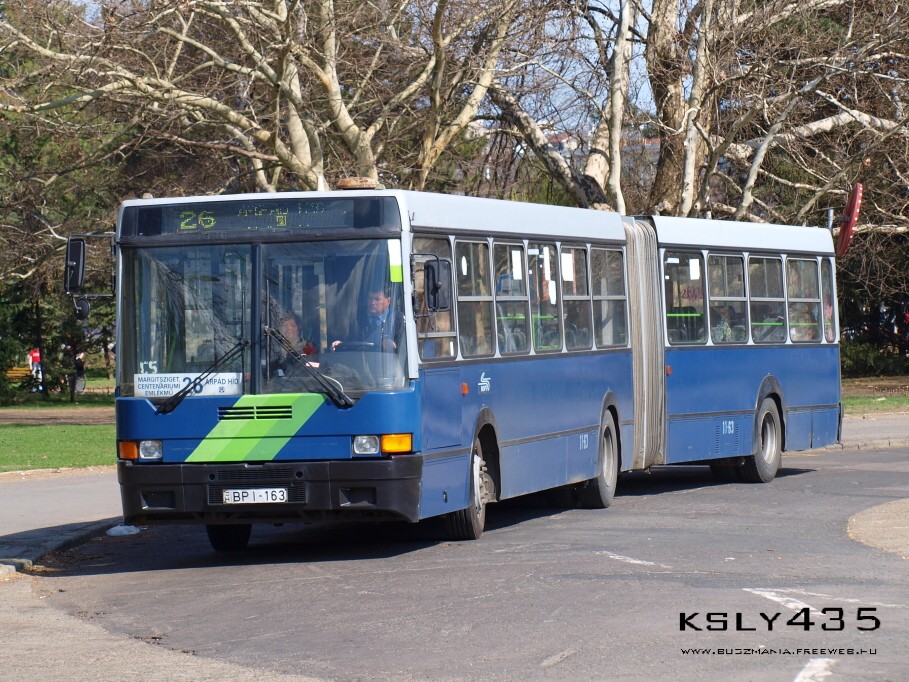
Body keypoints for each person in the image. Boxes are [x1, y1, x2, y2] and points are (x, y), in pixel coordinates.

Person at [332, 286, 404, 352]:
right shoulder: (357, 316)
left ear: (388, 301)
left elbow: (401, 348)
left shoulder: (397, 318)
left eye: (377, 299)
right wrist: (340, 344)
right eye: (370, 298)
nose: (372, 302)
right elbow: (348, 339)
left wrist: (391, 344)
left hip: (385, 360)